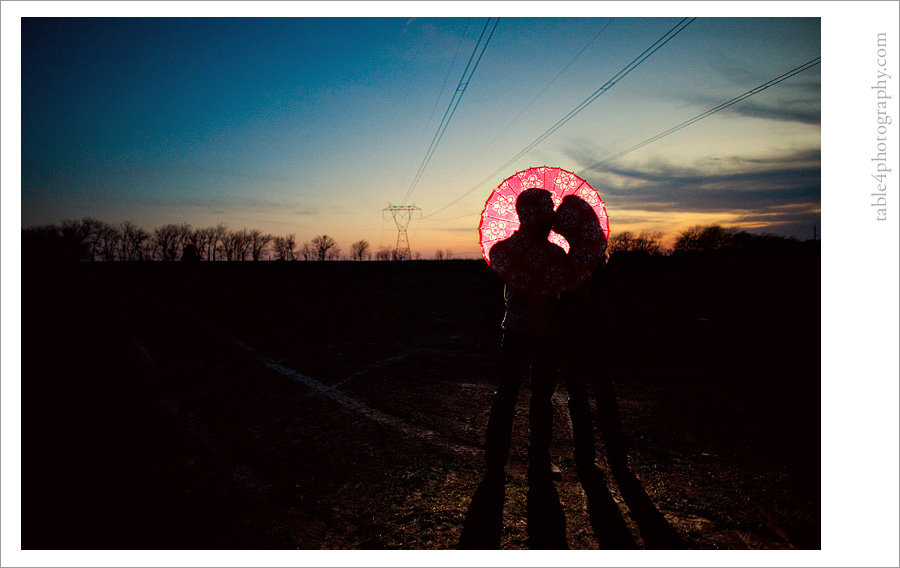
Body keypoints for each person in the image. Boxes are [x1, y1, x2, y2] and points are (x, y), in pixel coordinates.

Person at [484, 188, 567, 484]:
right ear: (528, 214)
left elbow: (567, 286)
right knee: (509, 397)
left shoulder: (554, 253)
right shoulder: (506, 250)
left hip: (544, 335)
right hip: (520, 333)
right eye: (546, 208)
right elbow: (524, 278)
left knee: (536, 400)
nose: (552, 213)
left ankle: (535, 462)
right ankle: (498, 464)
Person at [554, 195, 628, 477]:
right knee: (602, 393)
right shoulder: (592, 247)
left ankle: (587, 458)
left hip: (581, 331)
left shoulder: (581, 253)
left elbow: (579, 293)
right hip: (595, 329)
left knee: (584, 395)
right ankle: (615, 459)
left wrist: (559, 285)